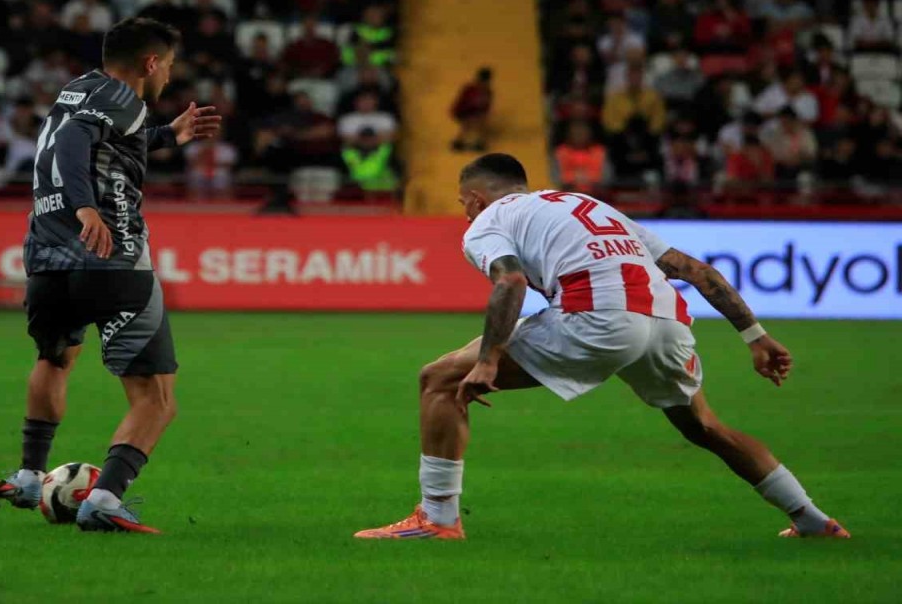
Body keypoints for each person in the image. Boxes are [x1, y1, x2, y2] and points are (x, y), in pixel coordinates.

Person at [355, 154, 848, 540]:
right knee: (704, 426)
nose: (465, 212)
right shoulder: (589, 206)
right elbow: (695, 271)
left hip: (598, 317)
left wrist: (488, 361)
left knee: (438, 379)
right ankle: (811, 518)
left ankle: (437, 518)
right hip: (664, 319)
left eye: (464, 202)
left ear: (477, 197)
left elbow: (510, 283)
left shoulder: (487, 223)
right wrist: (755, 336)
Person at [0, 17, 222, 534]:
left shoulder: (78, 89)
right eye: (170, 65)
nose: (168, 77)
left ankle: (29, 475)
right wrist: (87, 208)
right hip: (109, 254)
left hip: (47, 259)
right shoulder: (123, 96)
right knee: (156, 398)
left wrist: (170, 135)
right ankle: (105, 500)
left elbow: (98, 140)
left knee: (56, 358)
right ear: (151, 62)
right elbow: (74, 143)